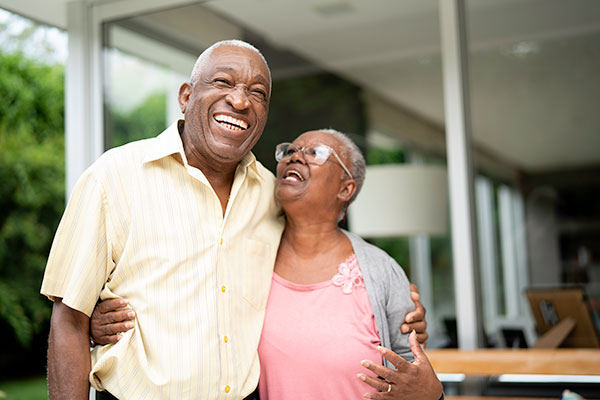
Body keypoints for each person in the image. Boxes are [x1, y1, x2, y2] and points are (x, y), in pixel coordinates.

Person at [41, 40, 428, 400]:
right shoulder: (114, 177)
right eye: (223, 82)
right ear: (186, 96)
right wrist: (90, 323)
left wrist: (396, 306)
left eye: (257, 93)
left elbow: (318, 270)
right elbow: (69, 319)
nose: (240, 100)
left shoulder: (271, 196)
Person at [91, 129, 444, 399]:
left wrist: (433, 393)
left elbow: (414, 376)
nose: (294, 157)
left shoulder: (381, 271)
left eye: (315, 153)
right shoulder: (245, 253)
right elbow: (184, 303)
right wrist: (100, 322)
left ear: (346, 188)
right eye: (289, 150)